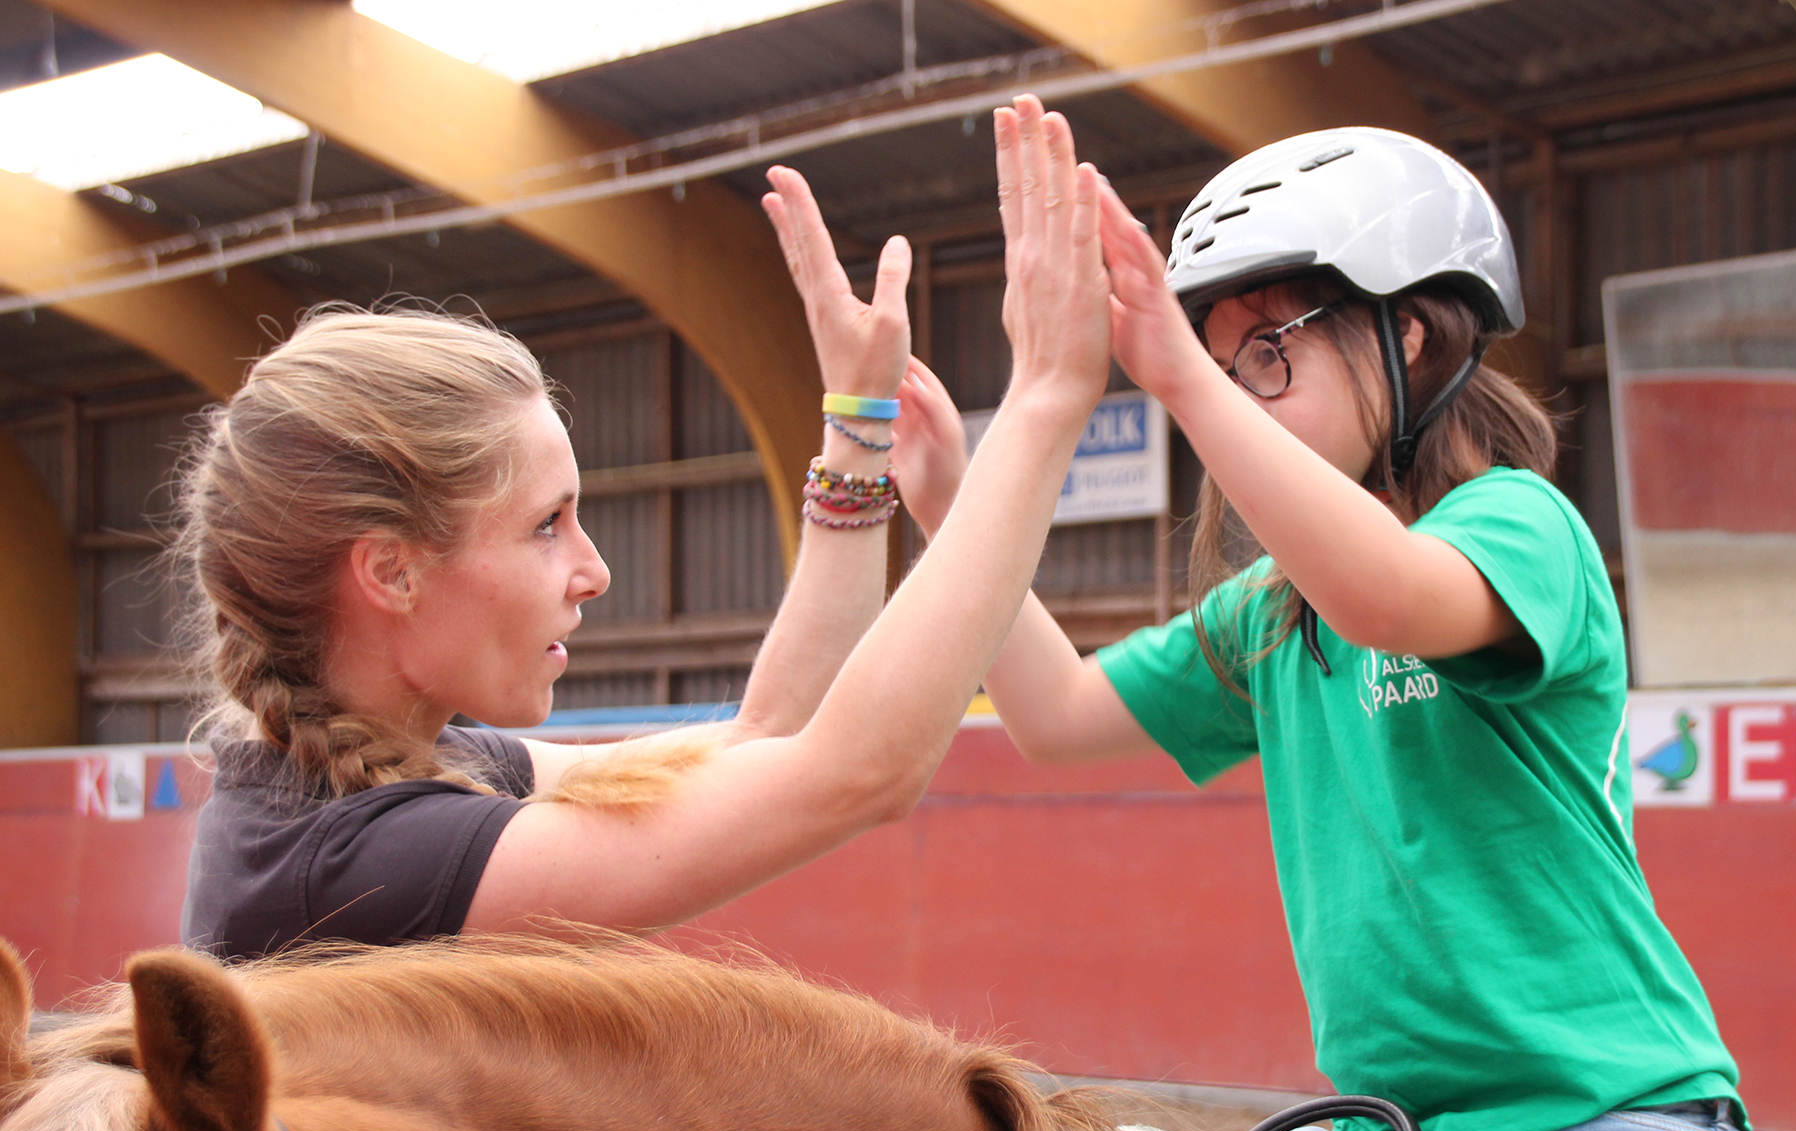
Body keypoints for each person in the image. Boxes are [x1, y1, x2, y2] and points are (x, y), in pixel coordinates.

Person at [893, 128, 1768, 1131]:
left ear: (1403, 330)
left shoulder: (1517, 528)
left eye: (1269, 354)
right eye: (1220, 368)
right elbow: (1054, 716)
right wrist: (956, 506)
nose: (1234, 399)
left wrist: (1175, 378)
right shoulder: (1272, 610)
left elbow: (1389, 599)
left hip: (1595, 1128)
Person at [178, 97, 1109, 960]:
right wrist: (1043, 401)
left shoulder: (413, 774)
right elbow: (853, 772)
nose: (593, 572)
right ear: (391, 570)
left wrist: (860, 426)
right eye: (547, 526)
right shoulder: (364, 861)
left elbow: (771, 735)